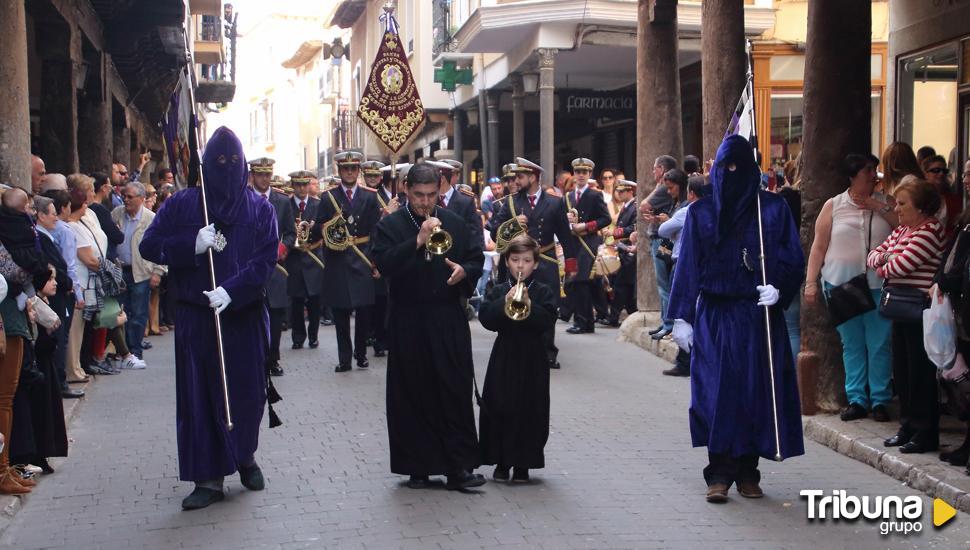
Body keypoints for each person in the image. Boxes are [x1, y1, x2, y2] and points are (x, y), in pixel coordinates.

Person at [140, 126, 278, 510]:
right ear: (204, 167)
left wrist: (233, 290)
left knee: (246, 394)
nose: (227, 169)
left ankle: (244, 455)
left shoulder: (260, 209)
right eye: (219, 163)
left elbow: (265, 260)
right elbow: (150, 244)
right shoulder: (183, 205)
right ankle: (208, 477)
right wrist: (190, 245)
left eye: (234, 163)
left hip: (244, 316)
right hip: (196, 319)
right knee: (200, 398)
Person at [668, 135, 805, 503]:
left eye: (738, 167)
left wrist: (779, 287)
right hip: (715, 315)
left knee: (754, 392)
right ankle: (719, 471)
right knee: (715, 393)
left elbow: (792, 256)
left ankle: (748, 470)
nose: (732, 174)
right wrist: (681, 317)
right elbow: (688, 265)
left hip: (756, 316)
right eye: (725, 167)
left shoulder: (772, 210)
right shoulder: (702, 213)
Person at [371, 162, 486, 491]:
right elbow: (385, 264)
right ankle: (417, 466)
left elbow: (476, 257)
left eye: (431, 195)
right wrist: (417, 241)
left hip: (447, 315)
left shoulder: (454, 221)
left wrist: (466, 271)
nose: (425, 203)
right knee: (413, 392)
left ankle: (458, 467)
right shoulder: (391, 224)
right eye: (419, 195)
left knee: (453, 389)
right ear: (406, 189)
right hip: (409, 318)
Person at [804, 154, 895, 422]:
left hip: (877, 284)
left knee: (879, 344)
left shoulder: (886, 203)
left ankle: (880, 399)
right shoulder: (834, 205)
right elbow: (818, 247)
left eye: (874, 170)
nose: (873, 175)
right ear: (853, 175)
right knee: (851, 343)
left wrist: (876, 206)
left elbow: (903, 227)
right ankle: (856, 398)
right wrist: (811, 282)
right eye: (868, 170)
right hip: (841, 284)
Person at [867, 178, 945, 454]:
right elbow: (872, 256)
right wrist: (886, 259)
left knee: (920, 373)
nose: (896, 210)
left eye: (902, 204)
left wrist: (886, 260)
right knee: (902, 371)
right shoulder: (903, 230)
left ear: (921, 207)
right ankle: (908, 426)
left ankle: (924, 431)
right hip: (901, 307)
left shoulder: (929, 230)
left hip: (919, 309)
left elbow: (899, 266)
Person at [478, 235, 556, 483]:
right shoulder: (499, 288)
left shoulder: (543, 290)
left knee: (531, 408)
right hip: (505, 354)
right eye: (515, 260)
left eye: (526, 260)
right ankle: (502, 461)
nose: (520, 266)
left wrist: (530, 306)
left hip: (533, 357)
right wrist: (505, 302)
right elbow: (486, 319)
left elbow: (547, 322)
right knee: (500, 405)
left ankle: (524, 463)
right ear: (507, 262)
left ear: (535, 263)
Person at [489, 158, 573, 368]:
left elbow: (565, 235)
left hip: (546, 259)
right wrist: (512, 224)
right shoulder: (510, 202)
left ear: (533, 177)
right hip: (519, 262)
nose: (515, 181)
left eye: (520, 177)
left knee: (546, 306)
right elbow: (494, 232)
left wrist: (571, 264)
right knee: (516, 304)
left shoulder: (554, 202)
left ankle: (547, 351)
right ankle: (517, 349)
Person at [312, 151, 381, 372]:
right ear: (339, 171)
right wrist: (325, 228)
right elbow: (318, 228)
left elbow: (375, 231)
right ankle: (344, 358)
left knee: (363, 312)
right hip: (338, 259)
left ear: (358, 171)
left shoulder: (370, 196)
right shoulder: (327, 197)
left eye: (353, 168)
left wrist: (373, 259)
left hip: (361, 257)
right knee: (340, 313)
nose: (350, 172)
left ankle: (360, 354)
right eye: (345, 169)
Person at [34, 195, 84, 399]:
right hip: (57, 292)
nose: (57, 218)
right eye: (53, 214)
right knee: (58, 337)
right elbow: (59, 266)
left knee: (60, 337)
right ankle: (59, 383)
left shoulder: (47, 236)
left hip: (60, 289)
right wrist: (69, 284)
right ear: (41, 216)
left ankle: (58, 381)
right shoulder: (42, 237)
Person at [658, 176, 709, 377]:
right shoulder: (712, 211)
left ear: (691, 194)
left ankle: (685, 361)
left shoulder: (689, 211)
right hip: (702, 266)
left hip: (684, 264)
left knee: (682, 308)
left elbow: (663, 229)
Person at [248, 157, 294, 377]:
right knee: (252, 314)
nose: (265, 179)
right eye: (260, 175)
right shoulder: (243, 199)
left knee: (275, 316)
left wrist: (282, 248)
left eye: (268, 175)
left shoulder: (283, 201)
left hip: (276, 268)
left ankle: (273, 359)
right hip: (250, 265)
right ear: (252, 175)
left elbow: (292, 232)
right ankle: (254, 359)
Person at [111, 182, 165, 361]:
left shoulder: (151, 218)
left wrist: (158, 271)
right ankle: (124, 351)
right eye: (124, 196)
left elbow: (161, 245)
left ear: (142, 199)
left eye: (130, 197)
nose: (125, 199)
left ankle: (135, 350)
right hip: (120, 271)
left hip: (141, 272)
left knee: (139, 313)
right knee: (121, 312)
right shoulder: (117, 213)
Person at [563, 157, 611, 335]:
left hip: (588, 243)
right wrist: (567, 222)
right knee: (576, 283)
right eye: (578, 172)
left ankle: (582, 322)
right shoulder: (568, 197)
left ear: (589, 174)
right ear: (574, 174)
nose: (581, 175)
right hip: (573, 244)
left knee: (581, 281)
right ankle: (585, 321)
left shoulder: (595, 195)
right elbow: (561, 220)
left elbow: (606, 219)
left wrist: (586, 226)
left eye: (584, 172)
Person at [284, 170, 323, 350]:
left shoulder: (318, 204)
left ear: (309, 185)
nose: (301, 188)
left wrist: (316, 229)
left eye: (304, 184)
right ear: (293, 185)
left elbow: (326, 227)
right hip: (295, 257)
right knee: (297, 300)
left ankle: (314, 335)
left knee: (315, 300)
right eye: (298, 184)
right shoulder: (286, 204)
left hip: (314, 257)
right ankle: (298, 337)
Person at [643, 155, 679, 339]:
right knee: (663, 283)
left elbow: (643, 205)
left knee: (664, 283)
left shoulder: (663, 188)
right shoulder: (665, 190)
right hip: (661, 239)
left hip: (663, 241)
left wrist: (658, 186)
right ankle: (665, 320)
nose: (652, 172)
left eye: (655, 168)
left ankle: (668, 323)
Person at [362, 161, 391, 356]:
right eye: (369, 176)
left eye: (375, 176)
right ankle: (367, 336)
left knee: (383, 301)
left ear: (381, 178)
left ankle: (381, 339)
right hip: (365, 253)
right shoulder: (363, 197)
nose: (372, 179)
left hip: (384, 252)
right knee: (366, 302)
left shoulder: (390, 197)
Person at [605, 179, 638, 328]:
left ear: (630, 191)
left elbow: (633, 228)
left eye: (622, 191)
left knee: (621, 285)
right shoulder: (625, 207)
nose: (619, 194)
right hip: (622, 247)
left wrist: (615, 232)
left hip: (630, 248)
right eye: (618, 191)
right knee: (625, 286)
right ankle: (632, 313)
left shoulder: (634, 207)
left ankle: (613, 317)